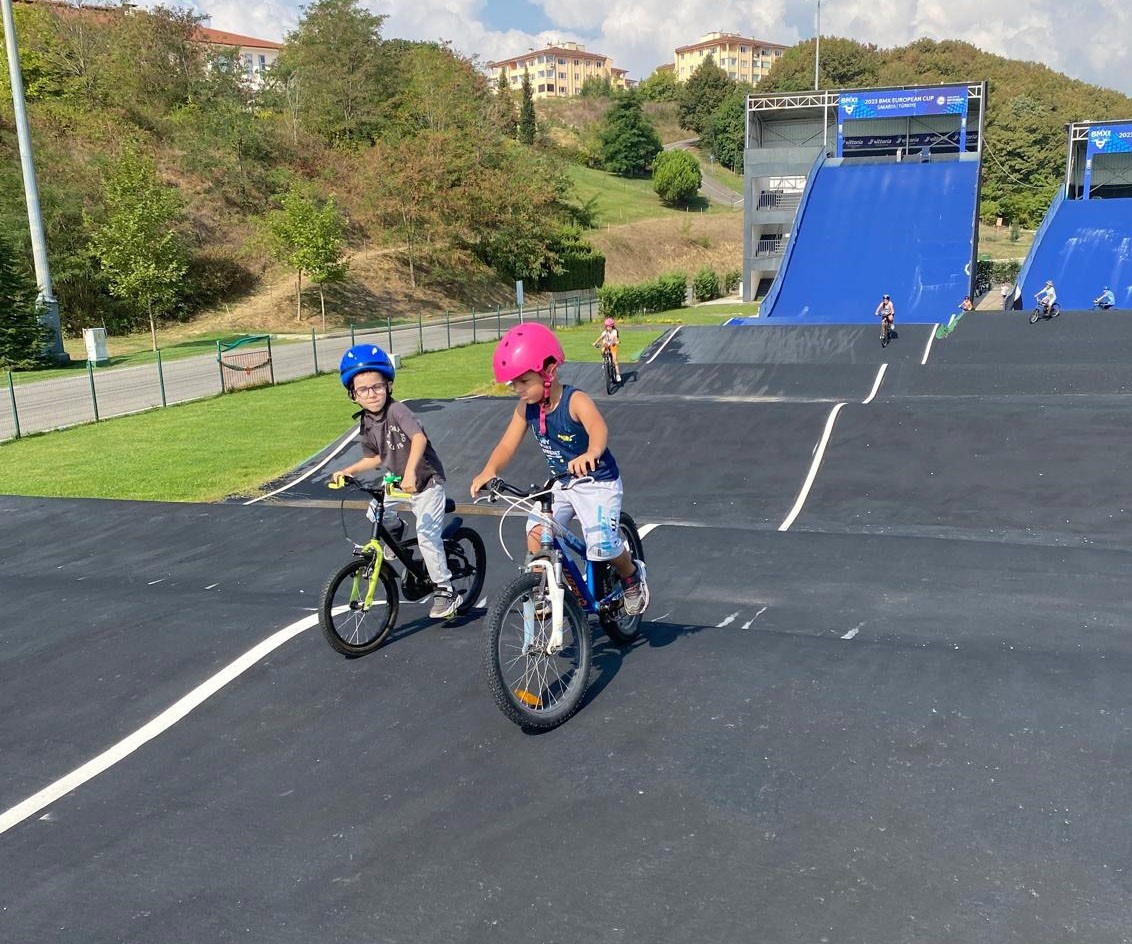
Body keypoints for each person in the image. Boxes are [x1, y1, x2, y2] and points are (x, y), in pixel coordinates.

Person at [470, 322, 649, 616]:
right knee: (536, 531)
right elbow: (506, 446)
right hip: (562, 483)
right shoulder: (525, 408)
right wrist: (489, 470)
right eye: (514, 384)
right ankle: (547, 587)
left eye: (524, 381)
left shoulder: (574, 400)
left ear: (549, 371)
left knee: (601, 545)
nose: (518, 390)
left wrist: (591, 453)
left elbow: (598, 429)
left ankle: (631, 576)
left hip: (597, 481)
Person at [331, 344, 461, 620]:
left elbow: (419, 439)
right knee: (374, 512)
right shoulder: (367, 421)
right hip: (398, 484)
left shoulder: (397, 411)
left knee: (427, 537)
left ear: (388, 385)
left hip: (425, 482)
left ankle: (445, 590)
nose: (372, 394)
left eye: (377, 387)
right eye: (363, 390)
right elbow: (375, 457)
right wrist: (348, 470)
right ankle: (396, 531)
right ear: (353, 395)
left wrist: (412, 472)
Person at [593, 316, 622, 383]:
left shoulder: (614, 331)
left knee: (614, 360)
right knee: (603, 350)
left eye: (610, 327)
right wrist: (595, 343)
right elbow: (600, 338)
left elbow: (615, 338)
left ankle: (617, 375)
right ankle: (604, 361)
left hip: (613, 345)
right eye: (607, 327)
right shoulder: (604, 332)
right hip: (606, 345)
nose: (608, 328)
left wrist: (616, 342)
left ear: (612, 326)